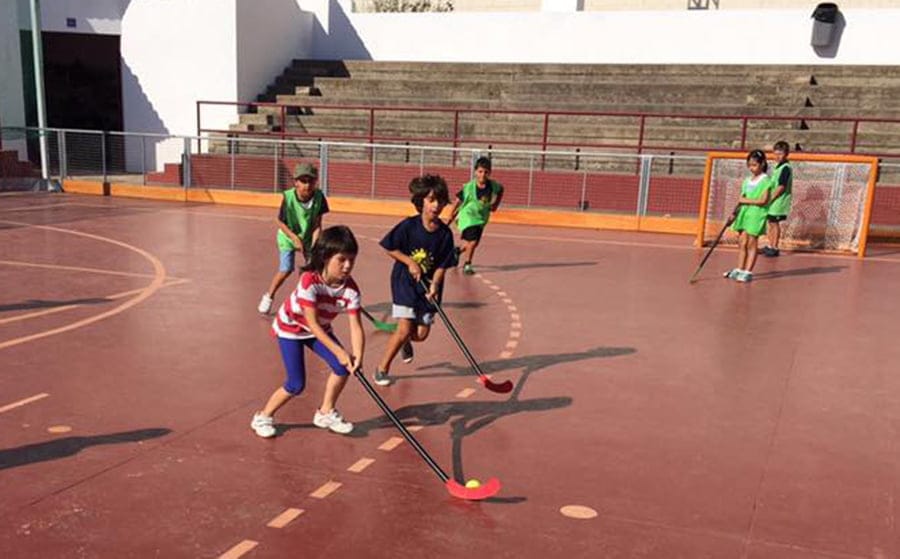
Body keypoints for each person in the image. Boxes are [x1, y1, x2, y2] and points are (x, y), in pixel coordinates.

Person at [250, 225, 364, 438]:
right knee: (296, 384)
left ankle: (325, 412)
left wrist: (358, 356)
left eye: (352, 260)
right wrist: (340, 351)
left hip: (318, 329)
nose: (348, 266)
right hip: (291, 329)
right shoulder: (309, 282)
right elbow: (312, 324)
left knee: (342, 368)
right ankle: (263, 416)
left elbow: (356, 326)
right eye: (341, 260)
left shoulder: (351, 290)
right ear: (325, 258)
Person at [373, 174, 456, 386]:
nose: (435, 205)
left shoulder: (445, 234)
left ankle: (405, 342)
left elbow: (442, 265)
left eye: (439, 200)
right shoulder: (409, 226)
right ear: (421, 202)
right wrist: (409, 262)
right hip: (404, 283)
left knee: (420, 334)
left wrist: (435, 285)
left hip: (427, 287)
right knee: (403, 328)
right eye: (430, 200)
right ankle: (382, 369)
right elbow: (389, 246)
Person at [258, 162, 328, 314]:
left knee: (311, 269)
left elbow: (317, 224)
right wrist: (294, 238)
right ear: (296, 182)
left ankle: (303, 299)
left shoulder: (319, 197)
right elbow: (279, 221)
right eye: (303, 181)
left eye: (310, 181)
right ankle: (269, 296)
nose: (307, 185)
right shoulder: (288, 197)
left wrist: (315, 244)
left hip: (308, 237)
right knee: (286, 269)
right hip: (288, 236)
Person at [446, 156, 504, 275]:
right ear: (475, 172)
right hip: (467, 216)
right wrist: (451, 215)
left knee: (473, 243)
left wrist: (496, 204)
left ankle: (457, 251)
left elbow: (501, 190)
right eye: (480, 171)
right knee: (472, 241)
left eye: (486, 172)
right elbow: (458, 201)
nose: (482, 175)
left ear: (490, 173)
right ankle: (467, 264)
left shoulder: (493, 186)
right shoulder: (468, 187)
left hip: (481, 217)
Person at [723, 149, 772, 283]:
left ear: (762, 164)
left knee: (751, 242)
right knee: (742, 242)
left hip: (756, 214)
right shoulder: (746, 181)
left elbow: (763, 200)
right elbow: (741, 199)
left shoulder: (766, 180)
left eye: (754, 165)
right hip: (744, 214)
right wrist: (734, 213)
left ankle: (748, 271)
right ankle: (739, 268)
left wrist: (746, 201)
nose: (751, 168)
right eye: (749, 165)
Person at [761, 141, 793, 257]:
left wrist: (771, 198)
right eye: (775, 154)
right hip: (774, 200)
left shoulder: (785, 168)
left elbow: (781, 186)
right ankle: (770, 245)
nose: (777, 156)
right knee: (771, 222)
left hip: (779, 200)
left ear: (786, 154)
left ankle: (774, 246)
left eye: (780, 154)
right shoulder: (777, 167)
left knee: (774, 223)